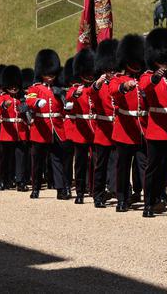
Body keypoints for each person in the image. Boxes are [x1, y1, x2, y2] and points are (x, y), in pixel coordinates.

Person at [140, 28, 167, 217]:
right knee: (153, 167)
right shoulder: (148, 75)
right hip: (156, 128)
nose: (165, 63)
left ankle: (163, 196)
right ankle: (148, 202)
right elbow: (144, 87)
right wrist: (155, 78)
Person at [111, 35, 148, 212]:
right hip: (125, 128)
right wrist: (123, 88)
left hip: (142, 128)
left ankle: (148, 197)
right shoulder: (118, 79)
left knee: (143, 165)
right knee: (123, 167)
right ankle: (122, 198)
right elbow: (113, 91)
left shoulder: (143, 79)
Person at [26, 50, 68, 199]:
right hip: (41, 128)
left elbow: (63, 107)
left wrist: (67, 104)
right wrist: (37, 102)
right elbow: (29, 100)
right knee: (37, 161)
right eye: (47, 74)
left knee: (58, 160)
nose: (50, 77)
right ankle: (36, 188)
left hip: (56, 129)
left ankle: (60, 189)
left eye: (52, 74)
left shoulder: (58, 90)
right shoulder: (35, 88)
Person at [89, 42, 118, 208]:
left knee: (118, 163)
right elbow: (90, 93)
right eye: (108, 70)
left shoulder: (118, 83)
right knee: (101, 165)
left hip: (118, 128)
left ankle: (118, 191)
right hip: (103, 129)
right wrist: (98, 82)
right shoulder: (98, 85)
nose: (111, 73)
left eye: (113, 70)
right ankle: (98, 195)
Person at [64, 53, 95, 204]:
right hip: (81, 131)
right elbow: (69, 96)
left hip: (96, 130)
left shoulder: (97, 86)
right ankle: (80, 192)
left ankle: (96, 190)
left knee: (96, 162)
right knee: (81, 163)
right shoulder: (76, 88)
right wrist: (76, 93)